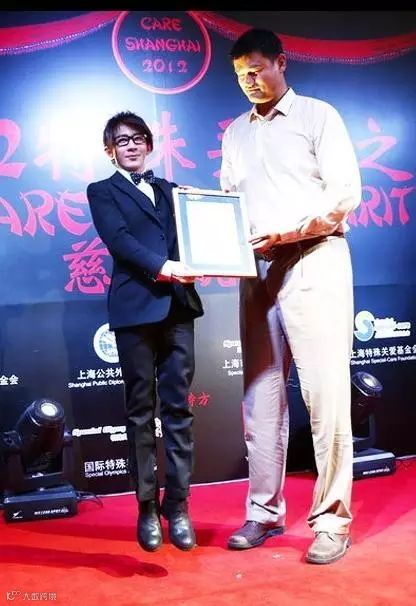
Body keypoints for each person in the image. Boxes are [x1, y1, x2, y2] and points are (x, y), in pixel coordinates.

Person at [220, 29, 362, 564]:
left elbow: (344, 193)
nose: (249, 81)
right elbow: (228, 201)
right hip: (256, 269)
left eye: (257, 69)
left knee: (326, 397)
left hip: (315, 257)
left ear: (281, 62)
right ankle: (263, 512)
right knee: (260, 400)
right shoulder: (235, 132)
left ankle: (332, 521)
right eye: (241, 75)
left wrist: (286, 231)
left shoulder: (318, 117)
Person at [87, 111, 204, 552]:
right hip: (135, 311)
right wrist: (164, 267)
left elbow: (199, 232)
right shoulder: (101, 191)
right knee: (140, 412)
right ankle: (146, 507)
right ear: (110, 150)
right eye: (122, 140)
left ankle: (179, 505)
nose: (132, 145)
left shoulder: (172, 191)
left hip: (178, 309)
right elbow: (119, 241)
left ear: (150, 145)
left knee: (179, 410)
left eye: (139, 138)